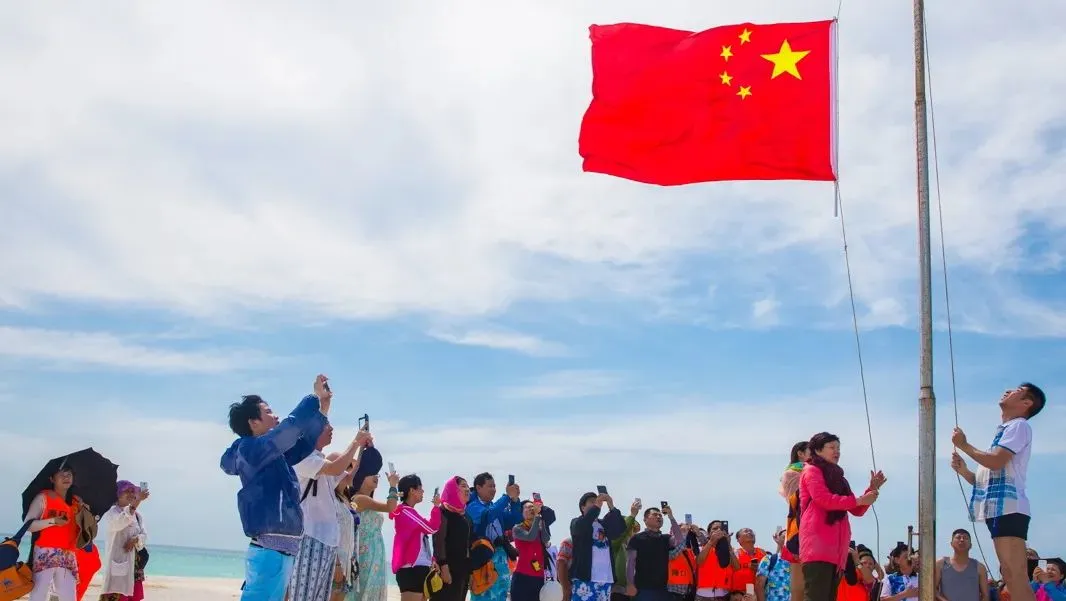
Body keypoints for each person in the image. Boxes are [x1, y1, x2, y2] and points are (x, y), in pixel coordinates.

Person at [220, 374, 331, 601]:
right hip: (269, 552)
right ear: (253, 423)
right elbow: (290, 428)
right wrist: (313, 397)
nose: (276, 415)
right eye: (269, 412)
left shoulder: (272, 453)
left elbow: (304, 442)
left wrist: (322, 408)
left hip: (280, 552)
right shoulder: (250, 450)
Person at [951, 383, 1045, 601]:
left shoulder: (1019, 425)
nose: (1008, 390)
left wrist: (964, 445)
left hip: (1009, 509)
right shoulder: (1005, 431)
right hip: (999, 510)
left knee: (1015, 575)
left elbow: (995, 461)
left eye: (1017, 390)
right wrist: (964, 471)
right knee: (1010, 575)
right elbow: (986, 482)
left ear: (1026, 403)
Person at [798, 432, 885, 601]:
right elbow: (824, 499)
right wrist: (860, 500)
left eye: (838, 448)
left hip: (837, 552)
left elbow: (856, 510)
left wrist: (871, 489)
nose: (836, 451)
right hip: (817, 547)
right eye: (832, 447)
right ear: (817, 450)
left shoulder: (840, 479)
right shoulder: (811, 470)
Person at [289, 423, 370, 601]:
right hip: (310, 538)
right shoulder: (303, 458)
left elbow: (350, 479)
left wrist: (363, 451)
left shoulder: (321, 461)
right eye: (326, 425)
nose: (331, 428)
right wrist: (356, 442)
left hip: (327, 541)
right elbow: (335, 468)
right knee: (303, 596)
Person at [23, 464, 83, 601]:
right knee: (39, 596)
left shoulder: (76, 502)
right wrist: (53, 521)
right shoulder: (43, 497)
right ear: (52, 479)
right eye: (62, 474)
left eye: (69, 474)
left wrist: (84, 512)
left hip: (68, 554)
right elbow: (28, 525)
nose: (66, 477)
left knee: (69, 597)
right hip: (45, 552)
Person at [348, 447, 397, 601]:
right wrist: (393, 485)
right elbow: (390, 507)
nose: (376, 476)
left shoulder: (366, 499)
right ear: (361, 476)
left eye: (376, 474)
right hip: (366, 557)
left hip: (374, 556)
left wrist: (369, 449)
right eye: (371, 473)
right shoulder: (359, 499)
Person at [467, 473, 524, 601]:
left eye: (494, 486)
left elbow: (515, 519)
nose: (493, 489)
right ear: (478, 488)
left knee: (501, 596)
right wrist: (507, 496)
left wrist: (515, 501)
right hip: (483, 562)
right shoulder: (472, 506)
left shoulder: (494, 507)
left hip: (501, 561)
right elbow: (488, 515)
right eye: (490, 486)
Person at [390, 474, 442, 601]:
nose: (423, 491)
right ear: (411, 491)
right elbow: (432, 528)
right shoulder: (406, 511)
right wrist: (436, 507)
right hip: (411, 569)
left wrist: (431, 560)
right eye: (420, 488)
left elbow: (419, 540)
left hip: (419, 568)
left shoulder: (408, 512)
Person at [569, 491, 626, 601]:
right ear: (582, 507)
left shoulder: (603, 524)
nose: (596, 503)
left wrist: (611, 505)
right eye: (592, 502)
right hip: (585, 578)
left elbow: (620, 528)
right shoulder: (576, 522)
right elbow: (583, 526)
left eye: (597, 501)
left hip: (605, 579)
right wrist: (597, 506)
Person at [98, 481, 149, 601]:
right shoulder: (112, 512)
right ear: (118, 494)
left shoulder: (138, 516)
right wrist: (136, 503)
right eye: (127, 491)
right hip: (119, 565)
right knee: (117, 597)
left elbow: (144, 535)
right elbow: (120, 523)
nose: (131, 494)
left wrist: (135, 539)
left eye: (132, 491)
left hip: (134, 567)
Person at [625, 505, 682, 601]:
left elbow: (679, 540)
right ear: (645, 520)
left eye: (660, 515)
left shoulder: (666, 538)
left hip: (664, 589)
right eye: (655, 515)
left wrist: (671, 517)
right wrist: (630, 584)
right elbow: (630, 563)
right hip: (643, 589)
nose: (659, 517)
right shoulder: (637, 538)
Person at [432, 477, 473, 601]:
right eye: (463, 486)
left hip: (462, 570)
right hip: (447, 569)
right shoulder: (443, 512)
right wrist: (444, 567)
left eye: (467, 486)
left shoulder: (465, 515)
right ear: (453, 489)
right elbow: (439, 541)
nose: (467, 489)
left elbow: (467, 545)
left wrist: (470, 572)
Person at [781, 442, 810, 601]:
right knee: (798, 588)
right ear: (800, 453)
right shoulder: (791, 473)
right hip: (798, 530)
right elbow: (798, 500)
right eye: (812, 451)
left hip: (816, 530)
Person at [512, 500, 554, 601]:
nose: (531, 509)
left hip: (538, 576)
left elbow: (546, 539)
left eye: (532, 507)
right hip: (522, 576)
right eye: (528, 507)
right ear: (522, 513)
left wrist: (542, 521)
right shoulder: (518, 528)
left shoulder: (538, 526)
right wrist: (537, 517)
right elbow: (530, 537)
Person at [934, 529, 988, 601]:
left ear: (971, 545)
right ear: (951, 544)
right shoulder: (941, 564)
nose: (962, 540)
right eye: (958, 537)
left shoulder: (980, 567)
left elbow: (985, 596)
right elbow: (933, 589)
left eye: (965, 538)